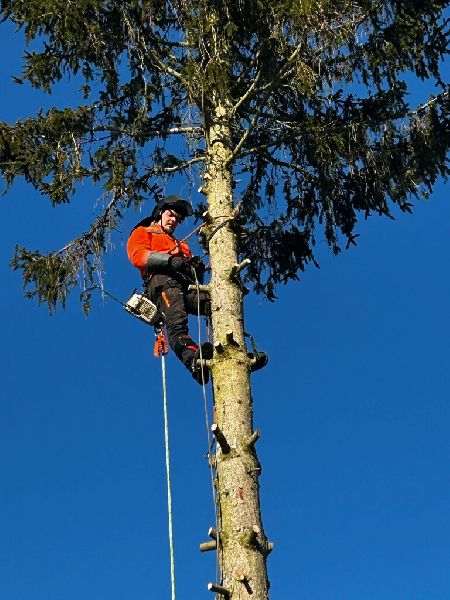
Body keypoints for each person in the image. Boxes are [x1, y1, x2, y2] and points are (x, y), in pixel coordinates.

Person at [127, 195, 213, 384]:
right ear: (160, 213)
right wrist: (170, 261)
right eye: (171, 215)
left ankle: (231, 349)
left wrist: (195, 269)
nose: (174, 220)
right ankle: (193, 360)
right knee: (177, 323)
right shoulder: (144, 231)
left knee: (215, 303)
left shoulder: (182, 245)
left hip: (186, 286)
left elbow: (193, 276)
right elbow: (138, 256)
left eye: (178, 219)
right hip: (162, 281)